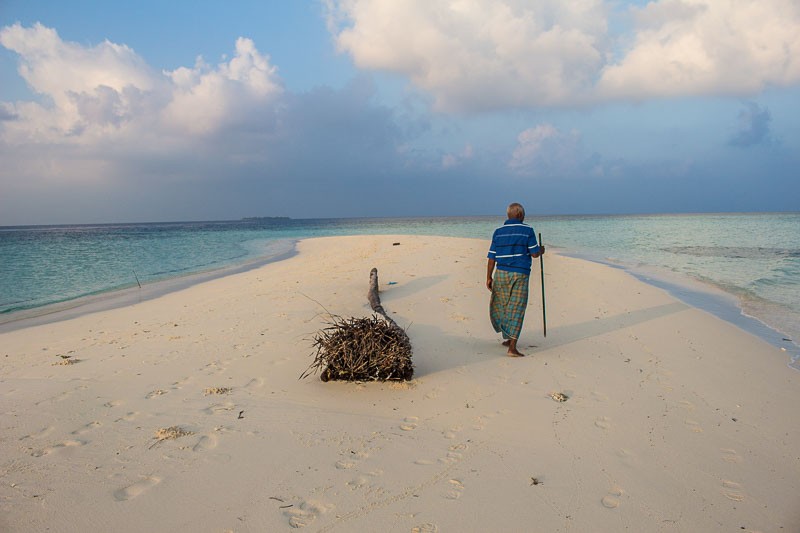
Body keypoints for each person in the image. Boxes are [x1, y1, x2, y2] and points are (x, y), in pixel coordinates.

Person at [486, 202, 545, 357]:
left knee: (503, 304)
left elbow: (492, 257)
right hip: (520, 273)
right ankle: (512, 347)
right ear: (520, 215)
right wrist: (541, 250)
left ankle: (507, 337)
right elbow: (534, 253)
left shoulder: (498, 232)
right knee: (517, 307)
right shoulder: (528, 230)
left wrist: (488, 277)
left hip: (501, 272)